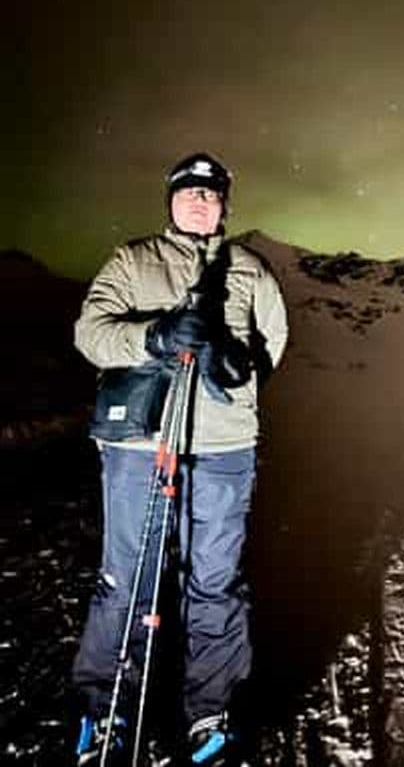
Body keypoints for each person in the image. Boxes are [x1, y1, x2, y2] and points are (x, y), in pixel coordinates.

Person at [71, 153, 289, 766]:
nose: (199, 201)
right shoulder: (133, 261)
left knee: (215, 582)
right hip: (140, 445)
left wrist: (236, 375)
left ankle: (210, 713)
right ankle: (106, 710)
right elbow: (91, 334)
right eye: (188, 191)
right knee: (127, 580)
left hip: (223, 449)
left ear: (225, 205)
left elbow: (273, 343)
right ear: (170, 201)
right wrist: (154, 338)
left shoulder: (250, 270)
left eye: (211, 193)